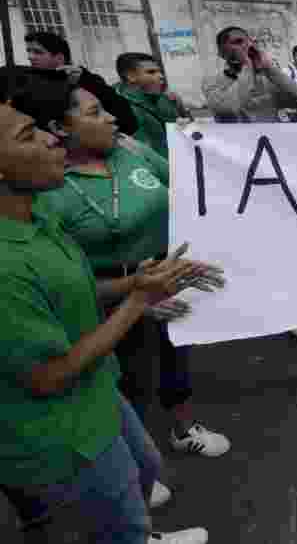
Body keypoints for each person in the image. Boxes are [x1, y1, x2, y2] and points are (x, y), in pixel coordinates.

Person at [0, 70, 215, 544]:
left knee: (144, 468)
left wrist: (136, 284)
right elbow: (48, 376)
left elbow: (76, 290)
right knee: (118, 519)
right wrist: (139, 300)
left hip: (97, 396)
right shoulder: (6, 263)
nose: (51, 140)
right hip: (59, 433)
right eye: (29, 134)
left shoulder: (36, 219)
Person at [32, 82, 231, 457]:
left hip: (165, 277)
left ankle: (185, 428)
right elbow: (58, 275)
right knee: (127, 378)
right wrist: (135, 295)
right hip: (102, 297)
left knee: (175, 355)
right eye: (94, 114)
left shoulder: (129, 151)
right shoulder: (47, 186)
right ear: (60, 129)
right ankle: (135, 459)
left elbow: (187, 186)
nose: (111, 119)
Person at [25, 31, 139, 136]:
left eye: (37, 52)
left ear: (59, 58)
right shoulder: (29, 85)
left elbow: (128, 122)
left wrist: (87, 81)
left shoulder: (89, 82)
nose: (30, 57)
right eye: (28, 51)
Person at [201, 26, 297, 123]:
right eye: (238, 42)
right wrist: (247, 66)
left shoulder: (266, 80)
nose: (246, 46)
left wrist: (269, 68)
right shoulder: (211, 81)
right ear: (221, 53)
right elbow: (230, 107)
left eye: (248, 42)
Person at [113, 53, 187, 159]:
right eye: (151, 72)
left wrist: (183, 115)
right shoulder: (120, 109)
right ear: (130, 76)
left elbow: (190, 132)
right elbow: (140, 153)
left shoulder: (167, 99)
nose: (161, 76)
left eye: (160, 72)